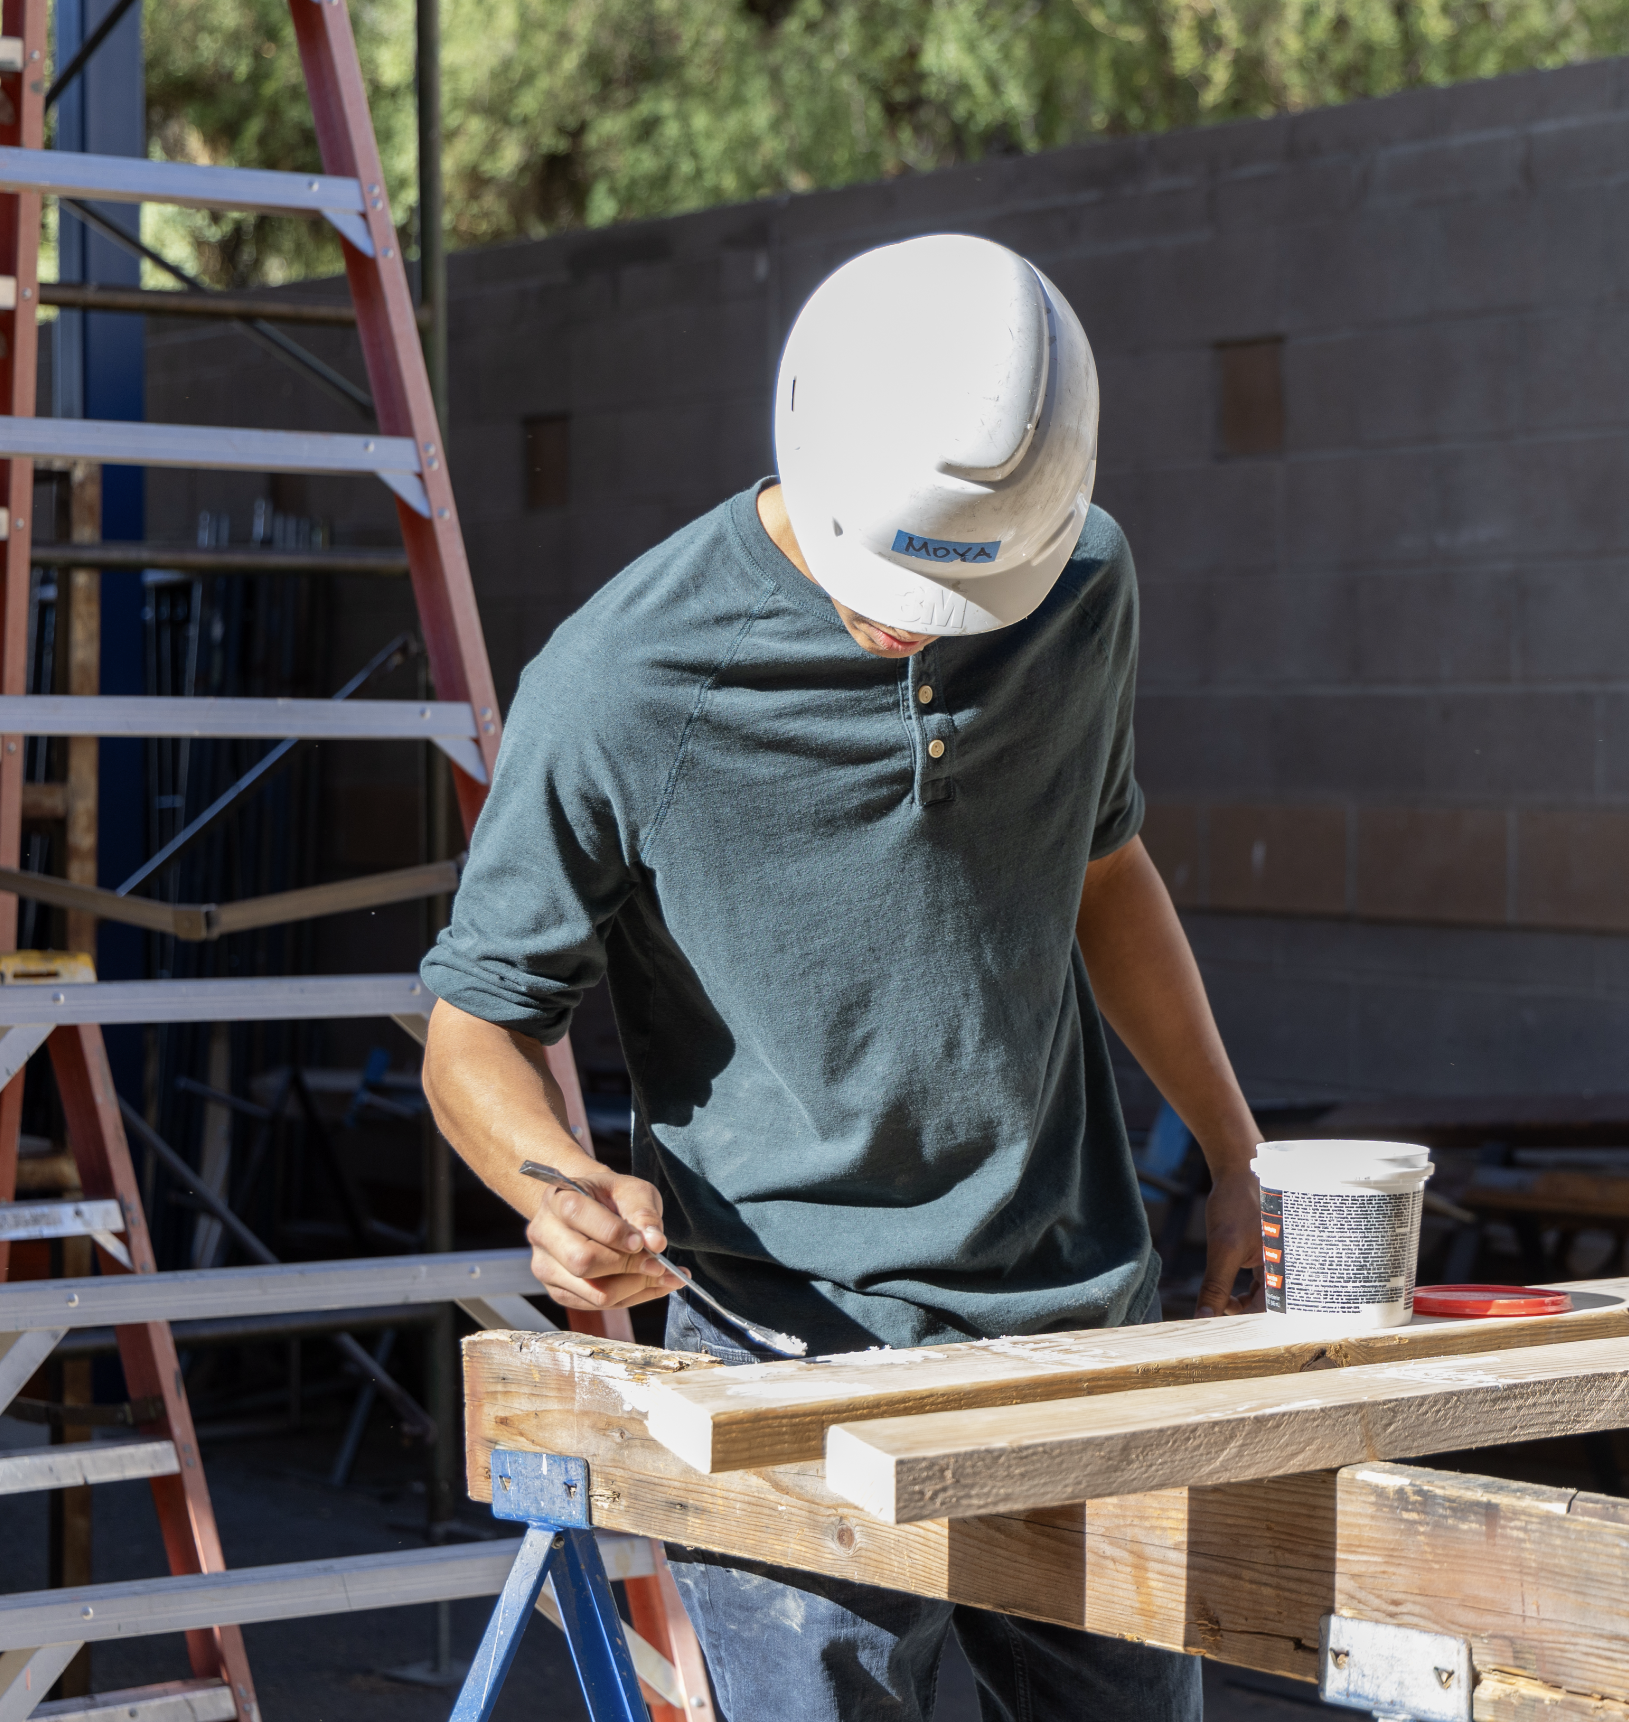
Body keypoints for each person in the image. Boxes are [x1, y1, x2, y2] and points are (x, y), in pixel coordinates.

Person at [420, 232, 1262, 1721]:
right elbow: (476, 1027)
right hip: (785, 1352)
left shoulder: (1079, 583)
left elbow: (1099, 867)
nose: (918, 627)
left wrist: (1234, 1147)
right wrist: (556, 1188)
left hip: (1079, 1325)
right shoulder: (622, 684)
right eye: (892, 592)